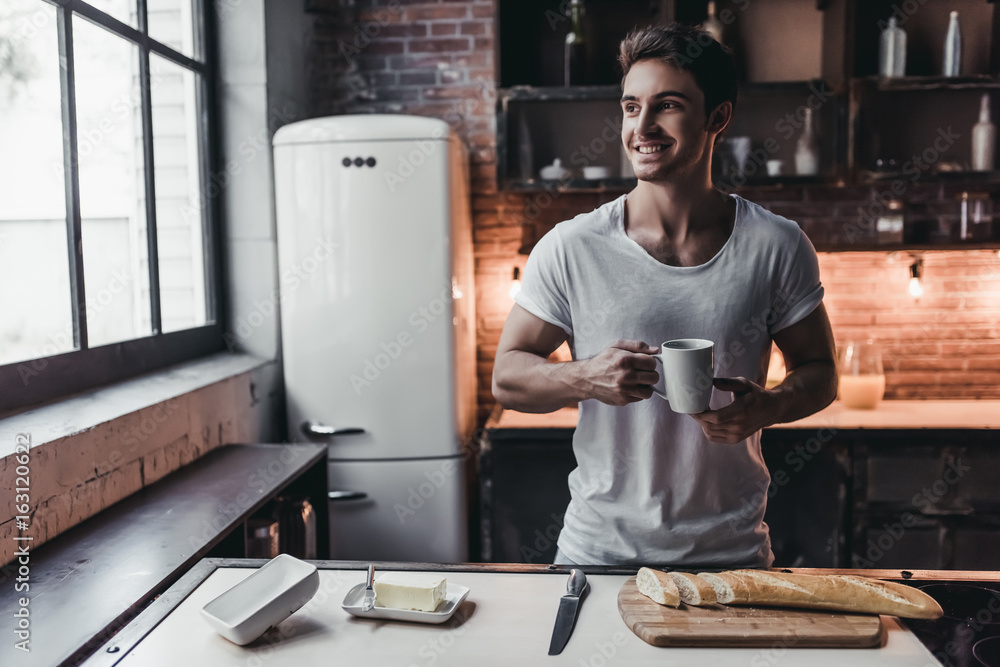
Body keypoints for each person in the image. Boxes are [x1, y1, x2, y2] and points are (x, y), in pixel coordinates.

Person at [491, 24, 838, 567]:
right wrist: (584, 377)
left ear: (717, 118)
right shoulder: (571, 246)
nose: (642, 127)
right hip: (598, 555)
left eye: (667, 105)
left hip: (731, 557)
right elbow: (508, 378)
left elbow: (820, 371)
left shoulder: (777, 245)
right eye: (631, 107)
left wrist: (769, 406)